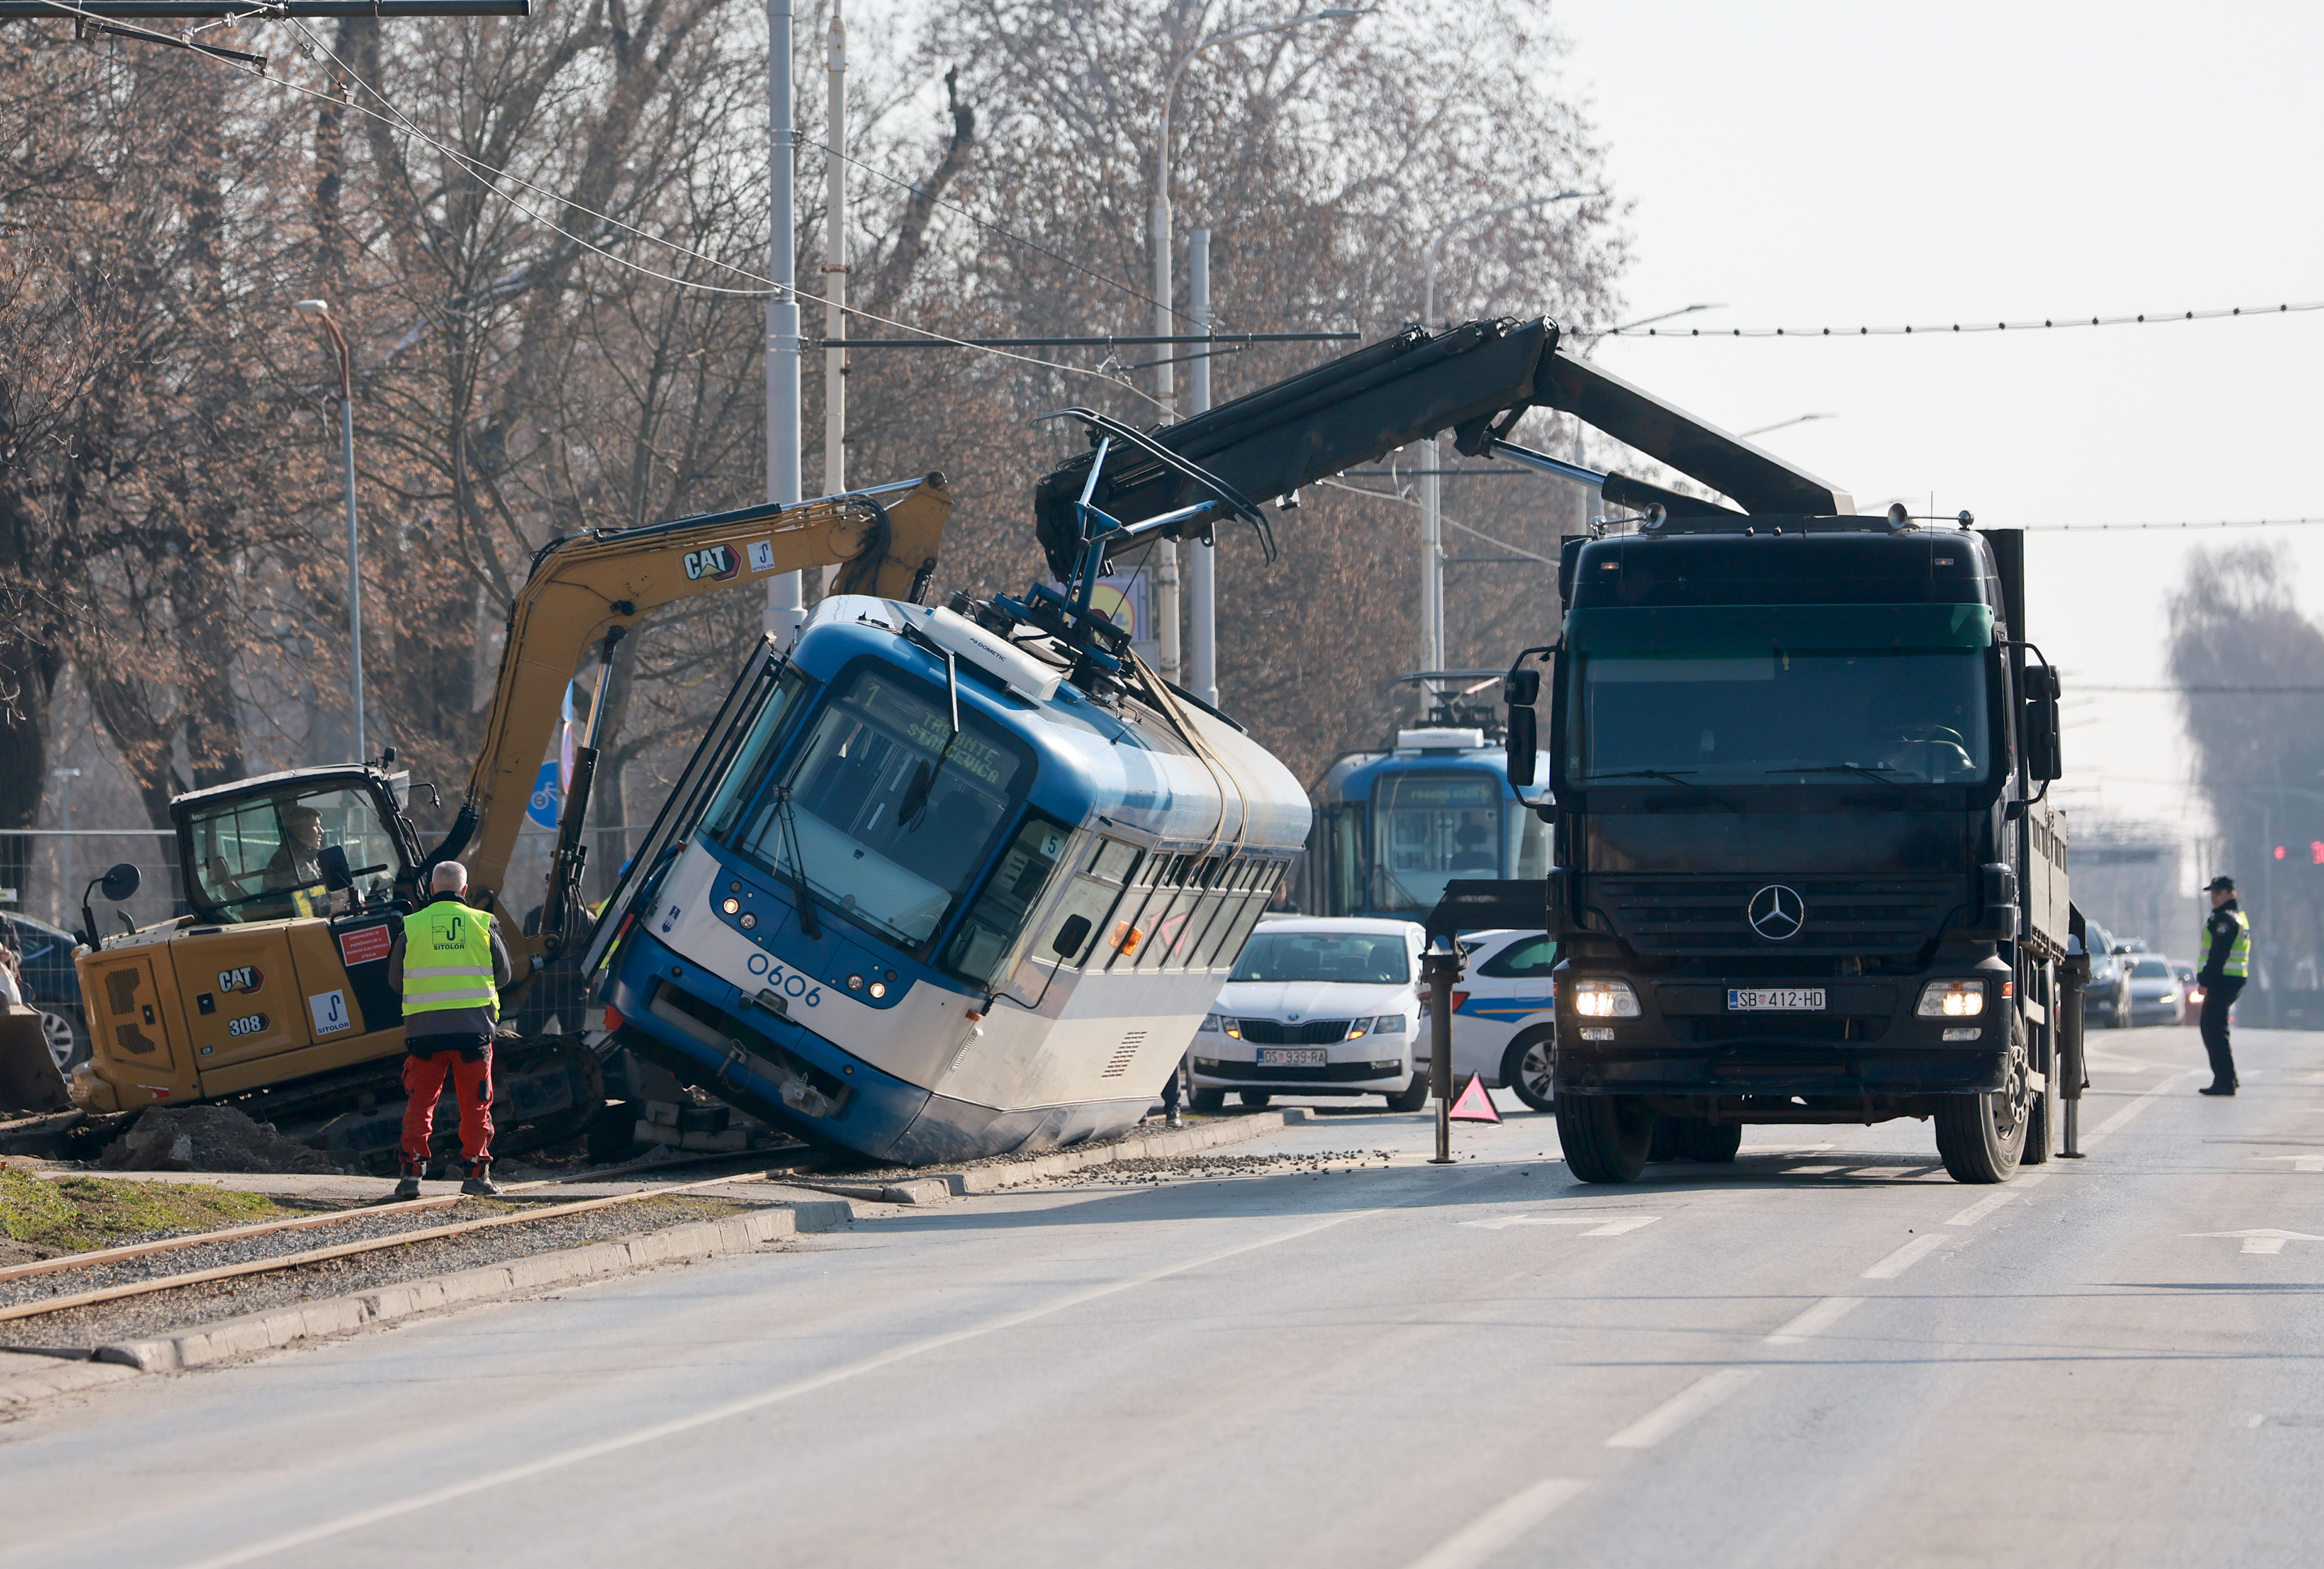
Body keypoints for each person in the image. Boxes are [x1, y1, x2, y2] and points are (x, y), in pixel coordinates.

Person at [388, 861, 514, 1196]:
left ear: (432, 890)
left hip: (424, 1033)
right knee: (475, 1105)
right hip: (473, 1033)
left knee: (420, 1104)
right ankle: (476, 1177)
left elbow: (394, 981)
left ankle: (411, 1176)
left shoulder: (411, 926)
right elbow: (505, 976)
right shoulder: (483, 924)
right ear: (464, 891)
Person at [2196, 874, 2250, 1096]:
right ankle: (2229, 1078)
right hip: (2231, 980)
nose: (2215, 898)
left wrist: (2205, 981)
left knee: (2212, 1030)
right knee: (2217, 1029)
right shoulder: (2234, 917)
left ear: (2231, 895)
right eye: (2213, 894)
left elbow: (2219, 955)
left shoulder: (2225, 921)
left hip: (2223, 980)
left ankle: (2224, 1082)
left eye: (2219, 893)